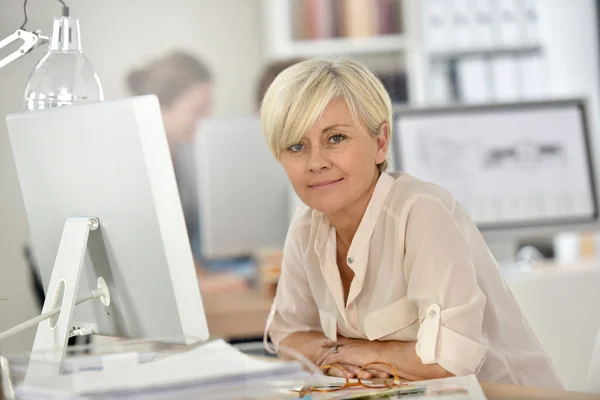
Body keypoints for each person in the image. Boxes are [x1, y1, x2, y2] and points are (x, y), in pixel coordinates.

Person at [260, 58, 562, 388]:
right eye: (297, 146)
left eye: (335, 138)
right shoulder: (307, 227)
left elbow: (451, 360)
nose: (316, 162)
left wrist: (364, 354)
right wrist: (345, 357)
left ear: (380, 143)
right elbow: (287, 336)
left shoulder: (421, 213)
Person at [126, 51, 248, 294]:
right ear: (161, 106)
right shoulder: (134, 166)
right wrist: (203, 282)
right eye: (198, 110)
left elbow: (178, 242)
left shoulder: (180, 155)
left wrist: (208, 278)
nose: (206, 120)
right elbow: (152, 249)